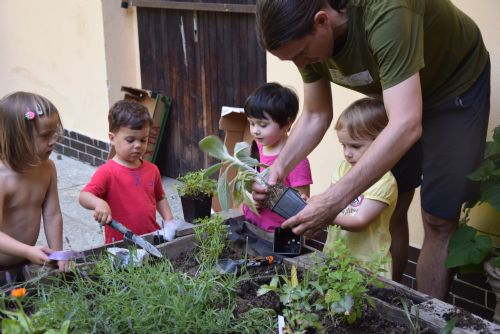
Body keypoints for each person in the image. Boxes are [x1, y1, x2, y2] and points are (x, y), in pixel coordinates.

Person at [254, 0, 490, 300]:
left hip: (454, 86)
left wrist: (333, 200)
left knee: (438, 218)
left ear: (322, 21)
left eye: (301, 54)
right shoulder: (306, 39)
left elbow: (405, 124)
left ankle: (428, 321)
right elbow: (316, 113)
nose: (302, 65)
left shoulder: (386, 11)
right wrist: (278, 170)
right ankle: (392, 303)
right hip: (400, 94)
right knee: (394, 206)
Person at [79, 100, 174, 244]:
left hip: (151, 239)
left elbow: (160, 197)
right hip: (121, 245)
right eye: (130, 140)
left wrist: (169, 221)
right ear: (112, 138)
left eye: (143, 140)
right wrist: (99, 203)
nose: (138, 146)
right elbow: (84, 196)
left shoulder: (152, 169)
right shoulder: (107, 172)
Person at [0, 91, 67, 285]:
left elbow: (52, 214)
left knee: (22, 308)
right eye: (45, 135)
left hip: (22, 261)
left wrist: (57, 253)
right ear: (17, 138)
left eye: (54, 133)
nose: (53, 140)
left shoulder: (47, 168)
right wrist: (28, 251)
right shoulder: (3, 179)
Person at [325, 98, 396, 279]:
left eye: (356, 146)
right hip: (336, 254)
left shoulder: (384, 181)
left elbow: (359, 222)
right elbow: (329, 198)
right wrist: (309, 203)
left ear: (382, 142)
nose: (347, 153)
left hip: (368, 264)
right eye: (344, 145)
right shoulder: (343, 168)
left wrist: (324, 214)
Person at [243, 83, 313, 233]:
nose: (255, 131)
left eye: (262, 124)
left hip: (277, 232)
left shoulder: (297, 160)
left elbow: (300, 204)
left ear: (287, 122)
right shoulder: (260, 147)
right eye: (251, 123)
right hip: (255, 224)